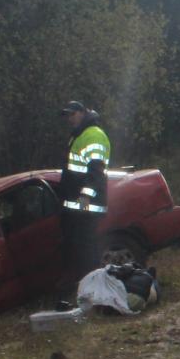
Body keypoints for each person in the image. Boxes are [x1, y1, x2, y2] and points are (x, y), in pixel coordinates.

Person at [58, 100, 111, 291]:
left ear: (82, 112)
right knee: (78, 249)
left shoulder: (93, 135)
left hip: (87, 206)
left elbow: (95, 172)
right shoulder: (79, 135)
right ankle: (84, 289)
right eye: (67, 116)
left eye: (72, 114)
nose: (69, 119)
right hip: (77, 206)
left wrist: (85, 196)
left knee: (87, 250)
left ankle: (94, 290)